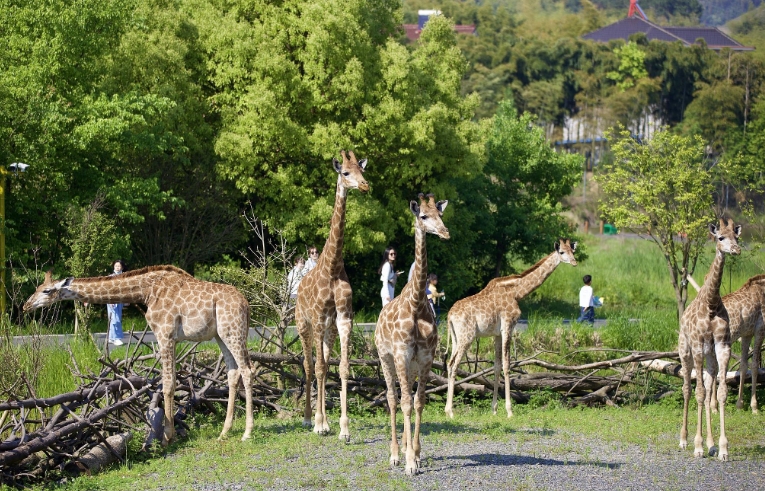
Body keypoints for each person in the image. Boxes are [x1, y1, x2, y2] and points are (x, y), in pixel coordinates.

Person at [107, 259, 127, 346]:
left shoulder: (124, 276)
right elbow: (108, 289)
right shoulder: (111, 276)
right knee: (114, 319)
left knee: (116, 318)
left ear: (122, 267)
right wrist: (110, 299)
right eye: (116, 266)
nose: (117, 267)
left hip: (120, 300)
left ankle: (111, 337)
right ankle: (116, 338)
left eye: (119, 266)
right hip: (112, 300)